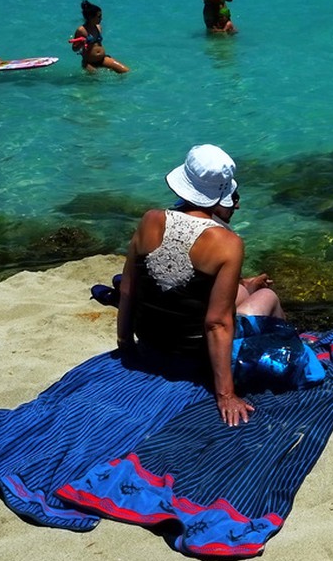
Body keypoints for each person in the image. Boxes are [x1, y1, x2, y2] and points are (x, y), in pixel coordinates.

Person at [115, 144, 285, 427]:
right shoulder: (228, 244)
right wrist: (226, 394)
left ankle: (247, 286)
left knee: (240, 290)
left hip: (147, 348)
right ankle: (292, 350)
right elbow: (216, 324)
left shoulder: (150, 220)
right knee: (268, 296)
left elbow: (127, 290)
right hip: (193, 364)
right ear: (218, 197)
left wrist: (125, 345)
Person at [71, 0, 130, 73]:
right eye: (99, 16)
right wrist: (81, 43)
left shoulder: (99, 27)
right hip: (89, 63)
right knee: (96, 80)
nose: (101, 18)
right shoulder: (81, 30)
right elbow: (74, 49)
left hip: (103, 59)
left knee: (125, 71)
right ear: (90, 17)